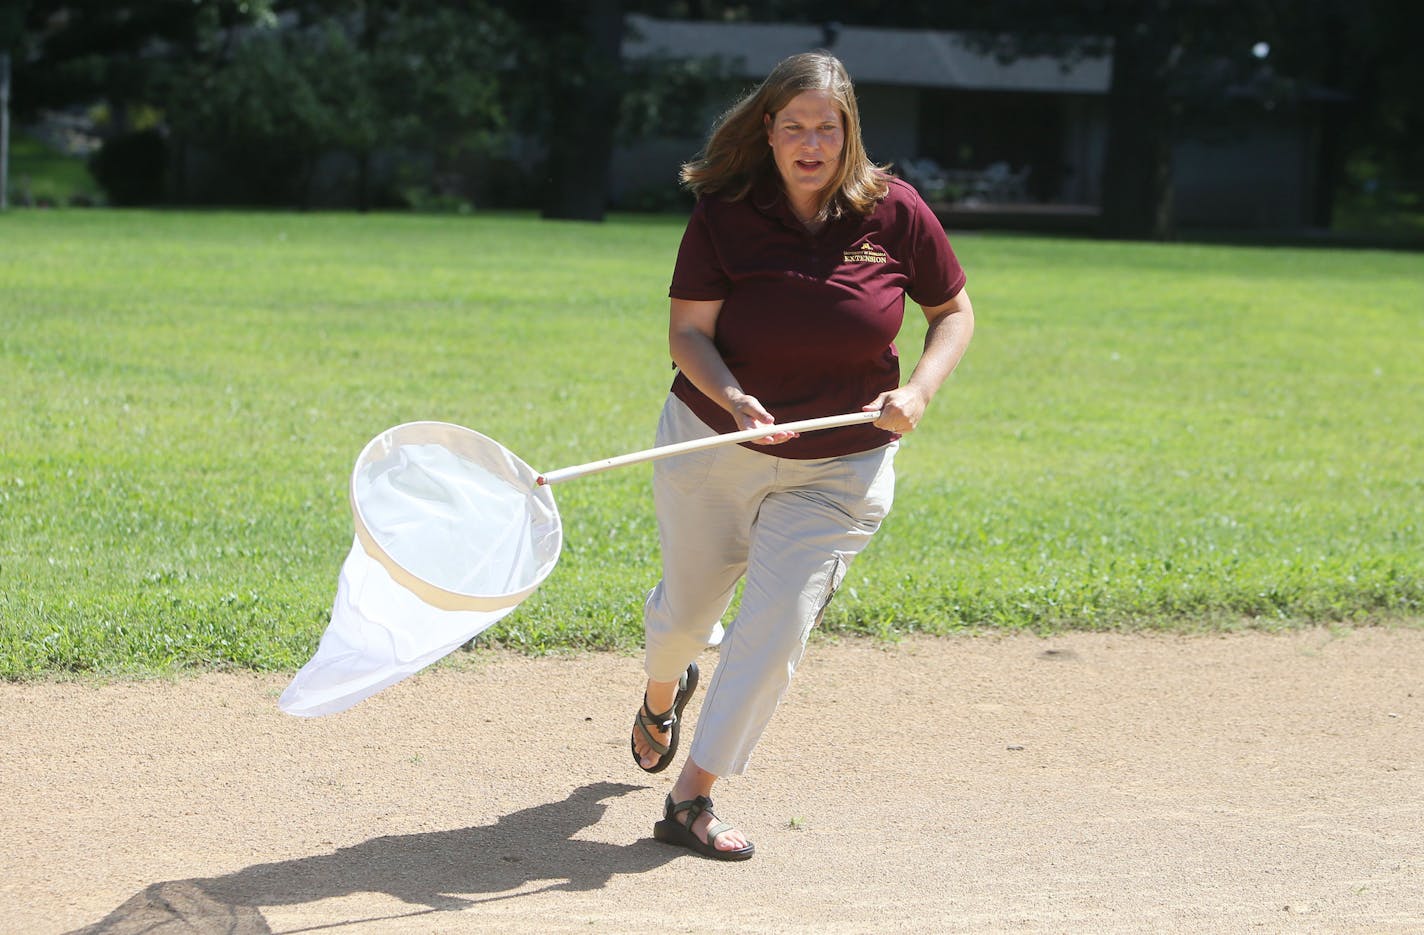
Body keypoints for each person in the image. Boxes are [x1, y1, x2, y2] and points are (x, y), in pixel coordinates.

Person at [629, 50, 975, 861]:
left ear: (850, 131)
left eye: (827, 127)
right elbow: (687, 332)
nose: (811, 143)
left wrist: (919, 390)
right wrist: (735, 399)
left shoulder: (897, 211)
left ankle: (692, 797)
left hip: (841, 463)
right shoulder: (726, 211)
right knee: (686, 616)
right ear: (769, 132)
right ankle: (663, 684)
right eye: (794, 128)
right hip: (717, 441)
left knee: (776, 623)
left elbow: (953, 312)